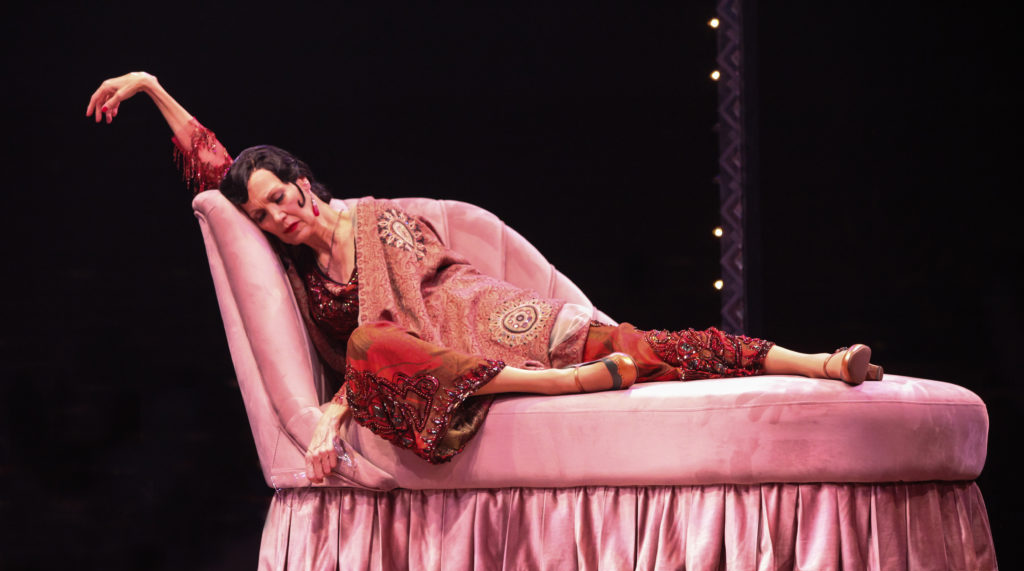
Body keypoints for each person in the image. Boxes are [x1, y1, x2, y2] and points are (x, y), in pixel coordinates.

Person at [87, 71, 883, 481]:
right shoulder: (300, 263)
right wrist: (153, 88)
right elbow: (212, 172)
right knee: (372, 345)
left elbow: (395, 326)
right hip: (432, 368)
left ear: (301, 182)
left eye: (277, 202)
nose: (274, 220)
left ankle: (816, 363)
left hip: (491, 323)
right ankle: (566, 386)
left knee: (650, 343)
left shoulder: (380, 221)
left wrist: (335, 409)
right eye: (261, 218)